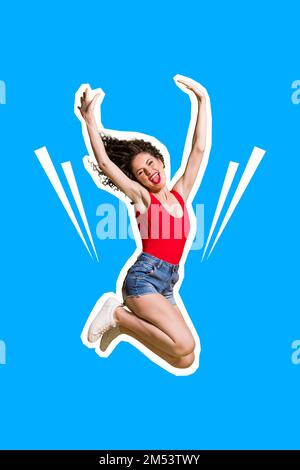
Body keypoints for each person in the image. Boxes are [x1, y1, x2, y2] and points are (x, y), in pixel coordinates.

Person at [78, 76, 209, 371]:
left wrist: (202, 100)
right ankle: (118, 314)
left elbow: (198, 151)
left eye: (150, 163)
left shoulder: (180, 193)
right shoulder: (144, 200)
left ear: (160, 161)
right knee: (186, 344)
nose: (148, 172)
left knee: (185, 358)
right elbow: (106, 165)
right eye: (140, 172)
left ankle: (124, 327)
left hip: (167, 284)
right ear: (137, 181)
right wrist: (90, 120)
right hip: (144, 279)